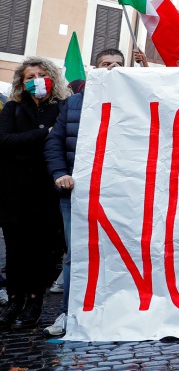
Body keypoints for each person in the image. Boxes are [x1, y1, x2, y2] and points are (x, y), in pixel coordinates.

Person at [42, 48, 124, 337]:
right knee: (76, 255)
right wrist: (60, 173)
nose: (111, 68)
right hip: (76, 195)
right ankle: (70, 314)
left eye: (117, 65)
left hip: (121, 195)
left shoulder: (136, 101)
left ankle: (119, 312)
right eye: (106, 64)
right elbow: (54, 143)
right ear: (95, 68)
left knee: (123, 253)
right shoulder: (74, 103)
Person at [0, 57, 70, 331]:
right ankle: (14, 301)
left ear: (51, 77)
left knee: (42, 251)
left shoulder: (61, 107)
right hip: (14, 191)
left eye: (41, 74)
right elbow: (4, 140)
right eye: (30, 76)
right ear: (22, 81)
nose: (37, 80)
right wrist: (43, 132)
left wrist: (31, 138)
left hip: (47, 190)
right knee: (16, 251)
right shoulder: (14, 108)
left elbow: (62, 139)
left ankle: (34, 301)